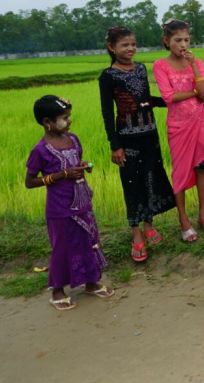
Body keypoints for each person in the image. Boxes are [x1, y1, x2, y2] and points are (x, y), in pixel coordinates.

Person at [25, 95, 114, 311]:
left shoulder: (73, 139)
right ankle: (57, 291)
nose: (69, 121)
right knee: (62, 248)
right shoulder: (41, 150)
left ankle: (91, 283)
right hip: (60, 208)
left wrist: (84, 165)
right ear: (48, 122)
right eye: (64, 118)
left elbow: (76, 162)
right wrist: (62, 174)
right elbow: (30, 182)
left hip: (82, 201)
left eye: (69, 116)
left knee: (88, 240)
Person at [99, 27, 175, 261]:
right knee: (132, 184)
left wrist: (172, 102)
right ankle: (136, 235)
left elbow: (145, 100)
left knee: (151, 178)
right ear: (112, 47)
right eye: (125, 45)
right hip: (127, 138)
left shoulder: (141, 68)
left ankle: (149, 225)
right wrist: (115, 145)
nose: (130, 48)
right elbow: (107, 111)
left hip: (150, 134)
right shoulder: (108, 75)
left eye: (133, 44)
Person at [152, 20, 204, 242]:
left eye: (186, 40)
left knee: (202, 167)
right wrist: (197, 93)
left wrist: (192, 67)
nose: (183, 44)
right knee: (180, 172)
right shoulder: (160, 66)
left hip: (200, 123)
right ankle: (184, 220)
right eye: (177, 40)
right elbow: (169, 97)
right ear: (166, 41)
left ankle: (203, 215)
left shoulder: (197, 63)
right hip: (179, 126)